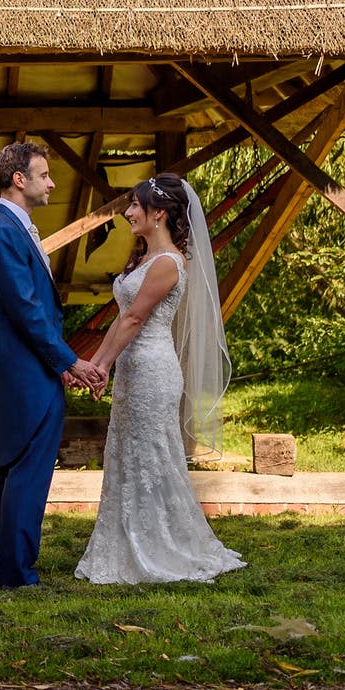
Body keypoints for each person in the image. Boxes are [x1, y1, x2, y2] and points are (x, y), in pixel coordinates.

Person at [74, 173, 246, 584]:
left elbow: (135, 318)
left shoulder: (169, 263)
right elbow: (121, 319)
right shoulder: (145, 259)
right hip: (133, 367)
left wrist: (101, 366)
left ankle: (163, 545)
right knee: (126, 454)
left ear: (160, 213)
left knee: (152, 456)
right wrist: (96, 364)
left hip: (152, 369)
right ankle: (123, 542)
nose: (129, 212)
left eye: (136, 206)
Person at [0, 141, 106, 588]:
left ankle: (7, 563)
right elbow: (25, 308)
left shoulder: (6, 226)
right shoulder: (3, 230)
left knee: (15, 468)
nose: (52, 182)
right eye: (44, 175)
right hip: (22, 370)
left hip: (25, 364)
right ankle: (16, 572)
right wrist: (68, 360)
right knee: (28, 469)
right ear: (19, 180)